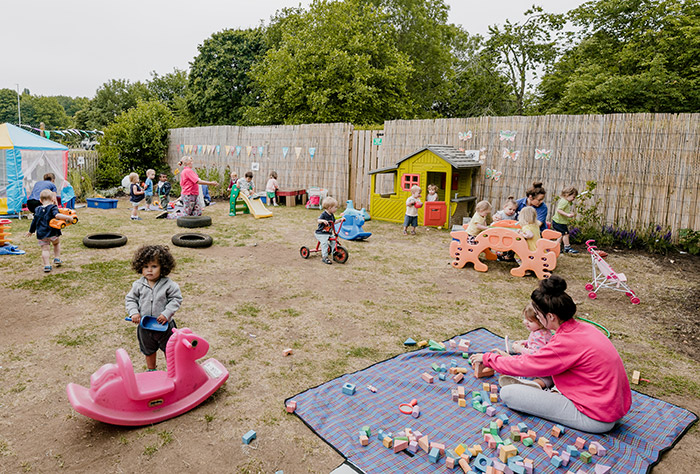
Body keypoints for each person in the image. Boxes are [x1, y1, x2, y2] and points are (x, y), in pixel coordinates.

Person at [469, 276, 631, 433]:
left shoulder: (564, 342)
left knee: (508, 393)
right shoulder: (584, 328)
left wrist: (489, 358)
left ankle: (538, 388)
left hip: (596, 417)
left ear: (551, 316)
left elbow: (527, 365)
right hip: (613, 407)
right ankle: (540, 386)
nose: (538, 320)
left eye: (538, 316)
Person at [125, 245, 183, 371]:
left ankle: (173, 371)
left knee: (170, 350)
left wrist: (166, 313)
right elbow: (131, 299)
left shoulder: (169, 285)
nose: (149, 270)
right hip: (145, 327)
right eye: (146, 267)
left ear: (163, 267)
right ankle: (151, 370)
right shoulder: (138, 285)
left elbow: (176, 299)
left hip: (165, 326)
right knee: (148, 350)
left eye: (154, 266)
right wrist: (134, 312)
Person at [497, 303, 554, 389]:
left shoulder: (538, 336)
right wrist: (526, 342)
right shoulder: (544, 332)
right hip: (547, 364)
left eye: (530, 321)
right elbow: (539, 344)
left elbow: (535, 354)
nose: (525, 322)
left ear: (541, 321)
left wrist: (520, 349)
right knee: (548, 378)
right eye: (525, 319)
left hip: (540, 366)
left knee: (545, 379)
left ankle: (531, 385)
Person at [26, 189, 72, 272]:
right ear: (53, 200)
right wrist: (68, 217)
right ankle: (57, 258)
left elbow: (34, 221)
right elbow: (57, 215)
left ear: (40, 200)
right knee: (56, 243)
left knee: (45, 249)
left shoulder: (37, 209)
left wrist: (31, 231)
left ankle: (47, 265)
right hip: (53, 232)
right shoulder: (53, 207)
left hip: (42, 234)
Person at [552, 186, 579, 254]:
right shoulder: (565, 202)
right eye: (573, 197)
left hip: (558, 222)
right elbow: (559, 210)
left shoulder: (564, 201)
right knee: (566, 234)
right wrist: (567, 215)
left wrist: (569, 213)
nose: (574, 199)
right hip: (559, 222)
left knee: (560, 235)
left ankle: (556, 247)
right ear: (568, 195)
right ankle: (567, 247)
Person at [315, 197, 338, 265]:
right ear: (329, 208)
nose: (336, 209)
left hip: (328, 233)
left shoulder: (331, 215)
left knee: (334, 240)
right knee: (324, 243)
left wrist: (340, 220)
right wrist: (323, 221)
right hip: (321, 233)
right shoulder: (324, 214)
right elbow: (318, 220)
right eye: (335, 207)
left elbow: (334, 222)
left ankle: (334, 253)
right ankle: (324, 257)